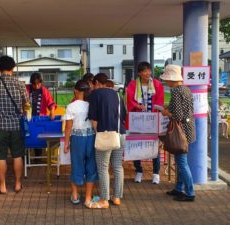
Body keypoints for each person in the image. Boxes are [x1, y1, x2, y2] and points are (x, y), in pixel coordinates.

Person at [0, 56, 30, 194]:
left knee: (1, 157)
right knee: (17, 155)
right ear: (13, 68)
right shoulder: (20, 84)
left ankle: (2, 186)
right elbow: (26, 104)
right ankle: (17, 184)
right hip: (16, 126)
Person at [88, 73, 126, 209]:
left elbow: (93, 119)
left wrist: (97, 130)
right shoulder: (117, 95)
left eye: (93, 84)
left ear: (97, 82)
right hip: (120, 134)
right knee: (117, 166)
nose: (92, 87)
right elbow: (124, 116)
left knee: (103, 167)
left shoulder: (95, 95)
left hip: (105, 135)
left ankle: (104, 200)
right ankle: (116, 198)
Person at [160, 64, 196, 202]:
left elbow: (177, 116)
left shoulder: (175, 91)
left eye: (167, 79)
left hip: (180, 132)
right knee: (181, 161)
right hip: (189, 129)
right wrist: (170, 106)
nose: (166, 82)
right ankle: (179, 188)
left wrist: (165, 112)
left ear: (171, 79)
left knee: (181, 162)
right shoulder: (186, 89)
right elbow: (184, 109)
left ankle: (190, 192)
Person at [126, 61, 164, 184]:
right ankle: (139, 171)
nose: (148, 73)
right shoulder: (132, 85)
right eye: (145, 71)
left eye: (149, 70)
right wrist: (137, 105)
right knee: (137, 145)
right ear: (139, 73)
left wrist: (153, 111)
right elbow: (129, 101)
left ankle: (156, 173)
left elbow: (160, 102)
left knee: (154, 146)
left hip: (152, 120)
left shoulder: (157, 85)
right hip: (137, 120)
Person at [63, 80, 98, 208]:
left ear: (75, 91)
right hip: (91, 138)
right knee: (91, 167)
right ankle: (88, 198)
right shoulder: (91, 104)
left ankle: (75, 195)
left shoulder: (71, 106)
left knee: (76, 166)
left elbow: (68, 127)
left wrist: (66, 143)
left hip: (77, 139)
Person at [26, 72, 57, 160]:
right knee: (27, 138)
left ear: (41, 82)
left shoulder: (44, 91)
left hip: (40, 119)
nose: (36, 86)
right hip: (28, 119)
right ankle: (26, 158)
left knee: (38, 137)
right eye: (34, 84)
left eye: (38, 83)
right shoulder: (26, 89)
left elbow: (51, 103)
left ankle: (38, 157)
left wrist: (52, 111)